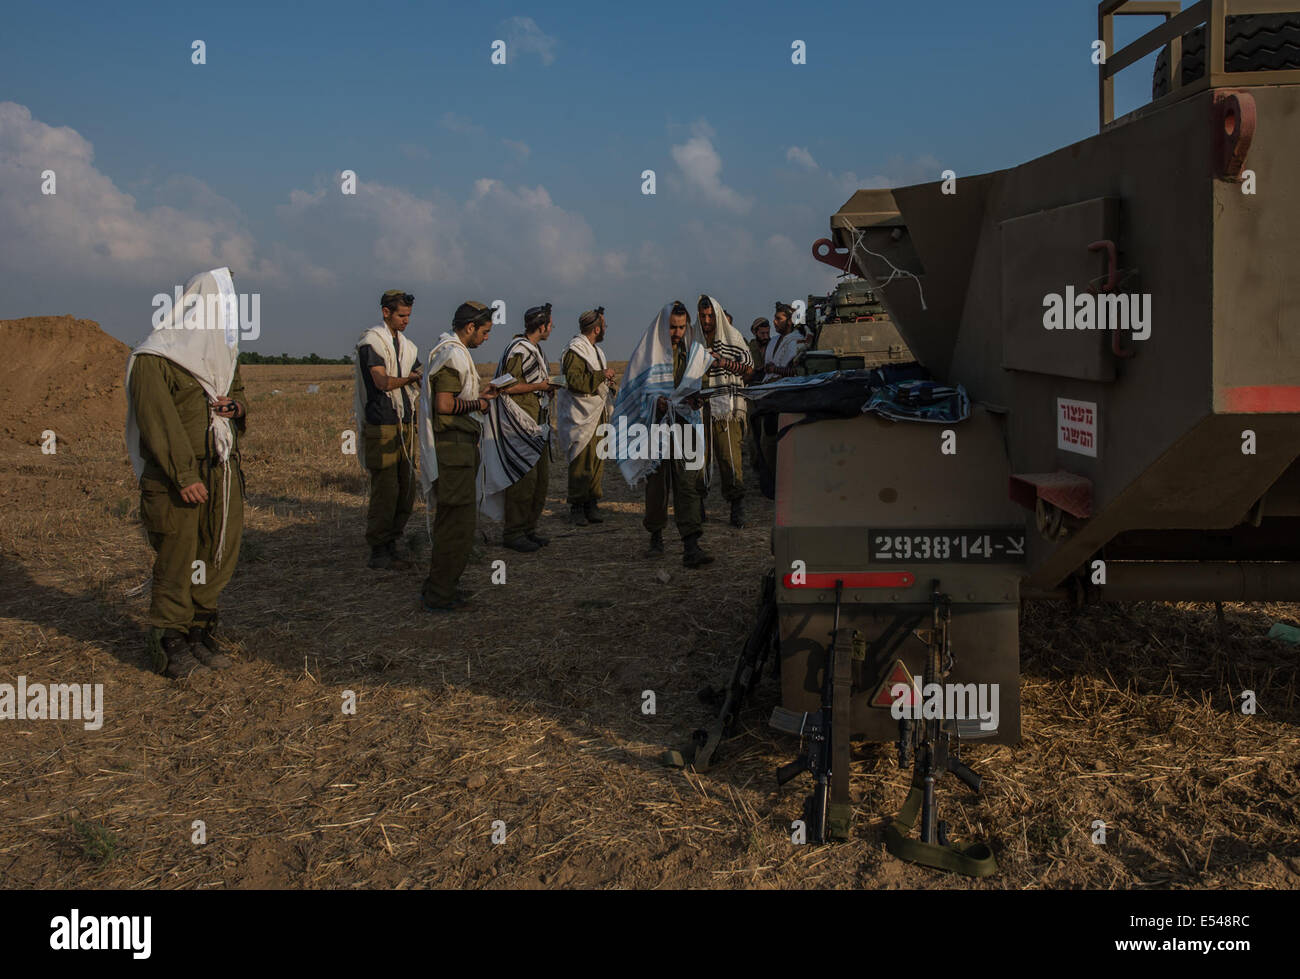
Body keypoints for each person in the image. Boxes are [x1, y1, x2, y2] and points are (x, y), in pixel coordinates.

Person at [125, 266, 247, 678]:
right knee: (179, 557)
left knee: (216, 551)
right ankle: (168, 641)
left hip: (220, 471)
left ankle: (199, 629)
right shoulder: (154, 357)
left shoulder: (221, 354)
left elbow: (239, 394)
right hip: (178, 479)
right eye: (222, 305)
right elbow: (158, 423)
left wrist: (237, 408)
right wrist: (184, 475)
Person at [613, 300, 713, 568]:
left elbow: (696, 382)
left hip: (684, 424)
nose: (677, 332)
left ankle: (691, 544)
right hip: (655, 427)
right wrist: (655, 401)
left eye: (681, 327)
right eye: (672, 327)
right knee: (657, 487)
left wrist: (695, 399)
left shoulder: (692, 352)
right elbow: (637, 390)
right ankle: (656, 537)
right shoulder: (648, 353)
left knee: (688, 485)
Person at [417, 302, 499, 612]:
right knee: (456, 526)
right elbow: (445, 405)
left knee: (453, 524)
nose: (486, 338)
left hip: (459, 451)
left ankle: (442, 585)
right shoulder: (451, 355)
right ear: (470, 328)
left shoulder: (452, 352)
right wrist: (478, 406)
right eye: (485, 332)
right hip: (454, 453)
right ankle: (440, 593)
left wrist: (481, 397)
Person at [353, 290, 422, 570]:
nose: (406, 321)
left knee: (406, 487)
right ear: (386, 313)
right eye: (401, 315)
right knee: (386, 489)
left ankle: (394, 539)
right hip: (381, 423)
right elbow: (381, 382)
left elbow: (418, 377)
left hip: (405, 422)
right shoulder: (372, 342)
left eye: (408, 316)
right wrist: (409, 378)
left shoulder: (407, 346)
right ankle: (379, 546)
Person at [490, 303, 557, 552]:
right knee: (523, 482)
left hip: (536, 427)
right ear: (542, 326)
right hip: (520, 427)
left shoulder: (535, 349)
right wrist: (540, 386)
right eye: (550, 324)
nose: (552, 327)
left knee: (539, 483)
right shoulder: (520, 350)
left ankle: (529, 529)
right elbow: (505, 386)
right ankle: (514, 532)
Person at [695, 294, 753, 528]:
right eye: (703, 316)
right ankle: (697, 504)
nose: (707, 320)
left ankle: (736, 506)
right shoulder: (693, 340)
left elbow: (749, 369)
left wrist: (723, 362)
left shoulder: (734, 337)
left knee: (730, 458)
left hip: (726, 406)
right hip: (699, 409)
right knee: (698, 459)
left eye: (710, 315)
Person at [557, 307, 616, 526]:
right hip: (580, 414)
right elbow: (575, 381)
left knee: (596, 459)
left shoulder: (596, 351)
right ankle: (577, 506)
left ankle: (592, 502)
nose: (606, 330)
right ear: (597, 328)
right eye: (605, 326)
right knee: (581, 460)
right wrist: (602, 375)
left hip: (597, 413)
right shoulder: (576, 351)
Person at [748, 317, 771, 382]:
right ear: (755, 332)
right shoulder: (750, 347)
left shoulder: (773, 345)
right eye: (762, 333)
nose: (766, 337)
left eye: (767, 333)